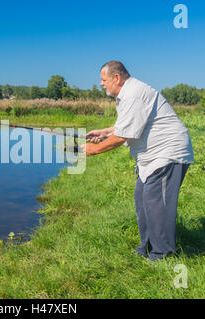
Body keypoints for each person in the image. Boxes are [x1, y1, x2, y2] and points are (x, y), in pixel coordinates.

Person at [82, 61, 194, 261]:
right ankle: (148, 248)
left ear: (116, 78)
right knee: (142, 199)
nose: (101, 84)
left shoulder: (133, 94)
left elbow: (124, 135)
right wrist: (104, 132)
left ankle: (162, 255)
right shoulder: (128, 94)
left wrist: (94, 150)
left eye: (103, 79)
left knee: (157, 204)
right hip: (151, 157)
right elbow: (126, 125)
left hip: (167, 153)